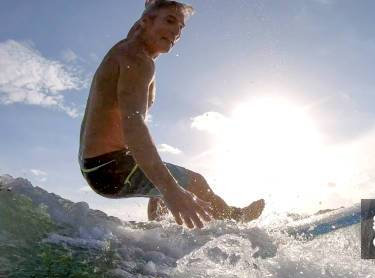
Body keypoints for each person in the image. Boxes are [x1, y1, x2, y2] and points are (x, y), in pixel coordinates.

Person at [78, 0, 264, 229]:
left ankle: (159, 239)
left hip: (95, 166)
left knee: (160, 182)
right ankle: (235, 220)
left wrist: (154, 8)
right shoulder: (137, 60)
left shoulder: (126, 49)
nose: (176, 31)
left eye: (181, 27)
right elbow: (133, 122)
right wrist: (172, 190)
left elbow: (143, 24)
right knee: (194, 182)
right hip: (110, 166)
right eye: (170, 21)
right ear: (145, 23)